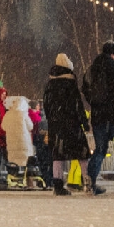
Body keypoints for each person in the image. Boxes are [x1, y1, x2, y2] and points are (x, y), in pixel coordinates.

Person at [83, 40, 114, 195]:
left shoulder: (91, 71)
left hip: (98, 117)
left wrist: (96, 103)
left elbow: (85, 90)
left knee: (100, 150)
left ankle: (90, 181)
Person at [42, 53, 91, 196]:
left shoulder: (50, 84)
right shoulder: (70, 82)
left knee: (57, 154)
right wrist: (84, 122)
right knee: (82, 153)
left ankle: (57, 184)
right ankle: (87, 181)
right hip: (71, 123)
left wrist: (52, 119)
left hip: (56, 125)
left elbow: (46, 104)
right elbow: (78, 105)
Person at [1, 95, 36, 187]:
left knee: (13, 162)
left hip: (12, 143)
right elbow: (30, 126)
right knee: (27, 162)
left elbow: (3, 127)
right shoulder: (23, 114)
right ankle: (29, 181)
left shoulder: (7, 115)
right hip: (24, 143)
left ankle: (13, 180)